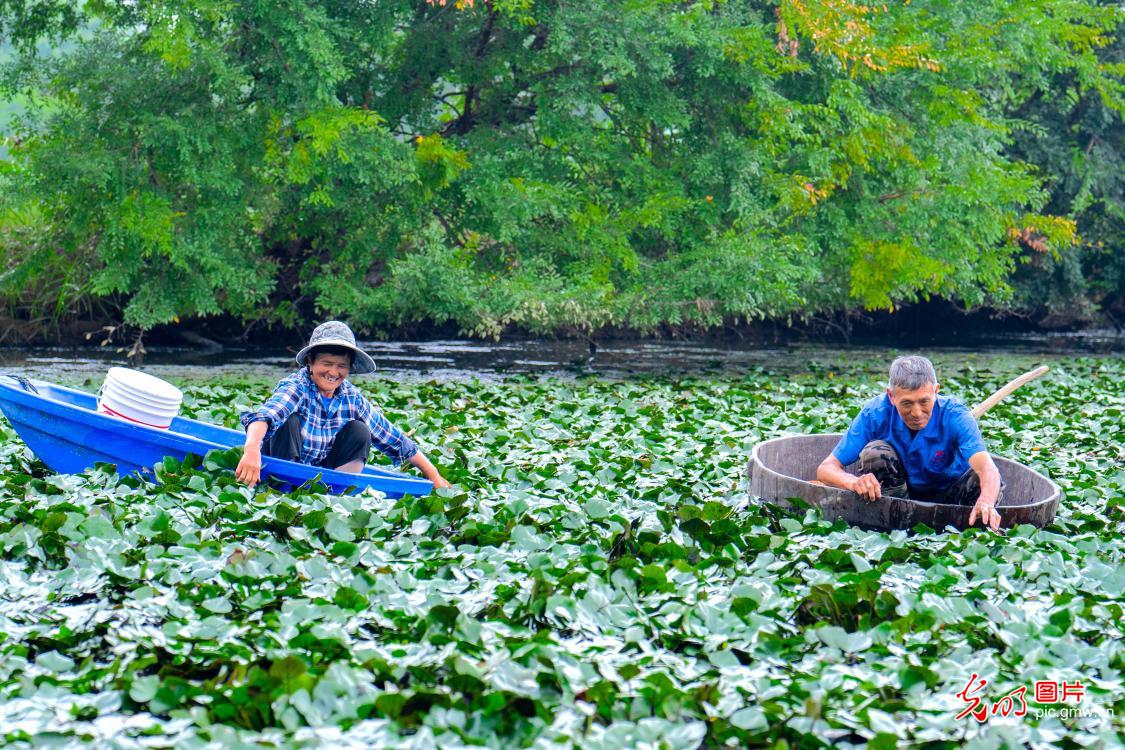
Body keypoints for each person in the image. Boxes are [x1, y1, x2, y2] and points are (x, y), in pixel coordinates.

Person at [234, 321, 450, 490]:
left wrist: (434, 476)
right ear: (311, 361)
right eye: (326, 364)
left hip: (323, 476)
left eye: (341, 366)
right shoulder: (297, 386)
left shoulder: (351, 397)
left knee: (360, 430)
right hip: (282, 468)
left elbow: (393, 438)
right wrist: (251, 451)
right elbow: (265, 417)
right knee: (287, 421)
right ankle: (283, 488)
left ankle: (339, 491)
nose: (333, 373)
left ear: (349, 368)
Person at [815, 355, 1003, 531]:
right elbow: (826, 469)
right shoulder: (875, 412)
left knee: (983, 483)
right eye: (907, 403)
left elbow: (987, 469)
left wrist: (986, 500)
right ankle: (892, 525)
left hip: (950, 497)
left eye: (924, 401)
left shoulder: (956, 416)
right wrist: (854, 482)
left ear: (936, 391)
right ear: (891, 396)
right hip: (894, 498)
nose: (917, 413)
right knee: (874, 453)